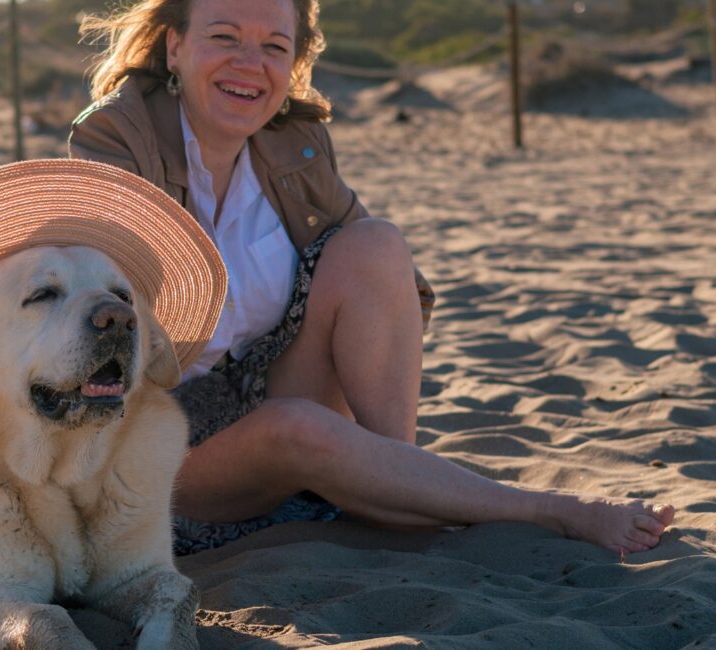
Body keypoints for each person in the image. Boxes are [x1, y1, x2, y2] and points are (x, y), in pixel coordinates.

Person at [69, 0, 674, 556]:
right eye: (224, 36)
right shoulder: (118, 135)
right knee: (294, 426)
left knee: (375, 243)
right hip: (152, 445)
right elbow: (102, 324)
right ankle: (551, 512)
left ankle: (393, 485)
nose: (249, 64)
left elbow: (388, 289)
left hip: (257, 388)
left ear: (295, 62)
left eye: (275, 47)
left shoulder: (293, 143)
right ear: (175, 47)